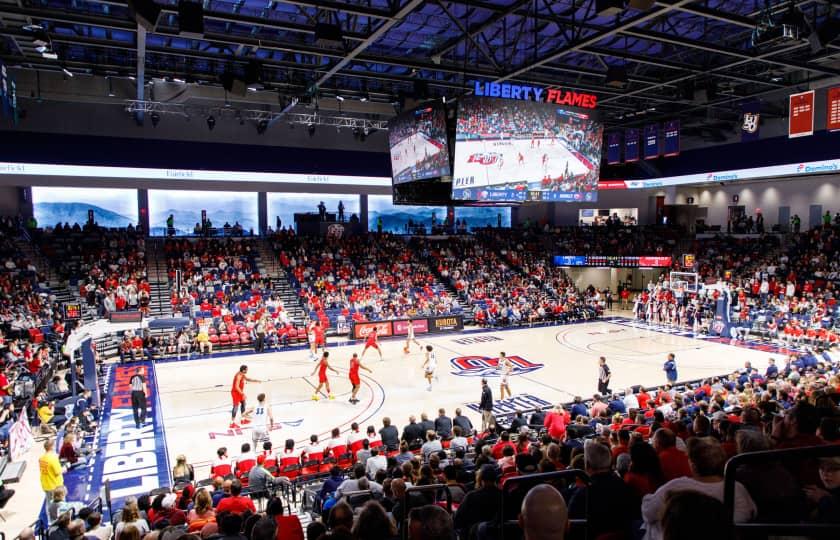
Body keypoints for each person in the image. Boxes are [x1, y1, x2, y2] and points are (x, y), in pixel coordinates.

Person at [641, 437, 756, 540]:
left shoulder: (676, 486)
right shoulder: (738, 488)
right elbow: (751, 514)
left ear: (693, 465)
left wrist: (647, 498)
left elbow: (648, 513)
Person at [230, 365, 262, 429]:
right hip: (235, 393)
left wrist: (256, 380)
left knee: (243, 404)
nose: (247, 371)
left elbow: (248, 379)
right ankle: (231, 423)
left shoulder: (242, 374)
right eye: (247, 369)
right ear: (244, 370)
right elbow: (236, 387)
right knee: (235, 407)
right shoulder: (238, 376)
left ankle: (242, 419)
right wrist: (243, 394)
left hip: (240, 393)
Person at [39, 439, 63, 510]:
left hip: (45, 484)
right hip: (55, 485)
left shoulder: (41, 458)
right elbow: (58, 472)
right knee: (59, 504)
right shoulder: (53, 458)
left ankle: (50, 520)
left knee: (49, 503)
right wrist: (65, 468)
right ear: (51, 447)